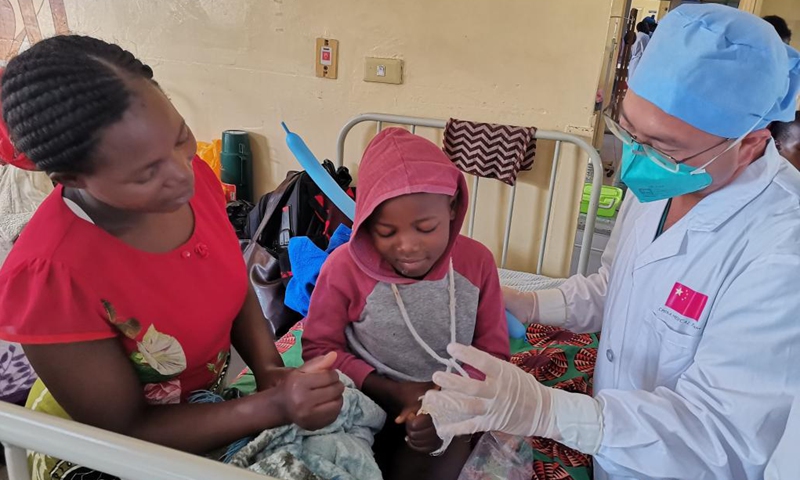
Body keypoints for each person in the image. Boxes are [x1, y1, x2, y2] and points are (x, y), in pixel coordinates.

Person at [423, 5, 800, 480]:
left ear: (748, 145)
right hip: (611, 449)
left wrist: (548, 412)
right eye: (630, 132)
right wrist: (529, 303)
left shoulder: (781, 252)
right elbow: (615, 285)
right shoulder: (660, 184)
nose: (634, 162)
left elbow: (719, 436)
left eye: (664, 147)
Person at [0, 35, 345, 480]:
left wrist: (268, 370)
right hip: (113, 452)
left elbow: (232, 282)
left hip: (210, 408)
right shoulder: (50, 275)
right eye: (146, 173)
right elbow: (126, 430)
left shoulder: (192, 179)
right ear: (72, 178)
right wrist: (272, 406)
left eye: (181, 137)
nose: (182, 175)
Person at [302, 128, 509, 480]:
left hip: (448, 406)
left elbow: (493, 354)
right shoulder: (343, 268)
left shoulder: (477, 264)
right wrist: (393, 391)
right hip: (368, 397)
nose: (408, 246)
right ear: (366, 222)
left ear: (454, 207)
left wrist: (445, 406)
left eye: (426, 228)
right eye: (386, 232)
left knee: (438, 455)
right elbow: (319, 349)